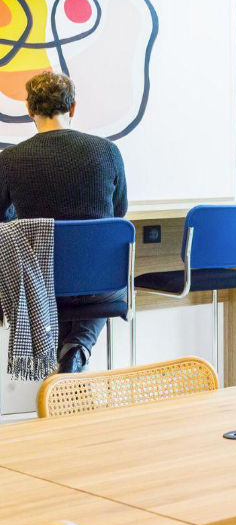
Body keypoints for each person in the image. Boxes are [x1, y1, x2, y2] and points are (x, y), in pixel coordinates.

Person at [0, 71, 128, 373]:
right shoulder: (107, 151)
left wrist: (25, 223)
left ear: (30, 109)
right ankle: (77, 349)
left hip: (40, 284)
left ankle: (70, 357)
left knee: (56, 282)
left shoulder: (9, 160)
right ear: (72, 108)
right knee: (107, 280)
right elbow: (118, 213)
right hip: (99, 283)